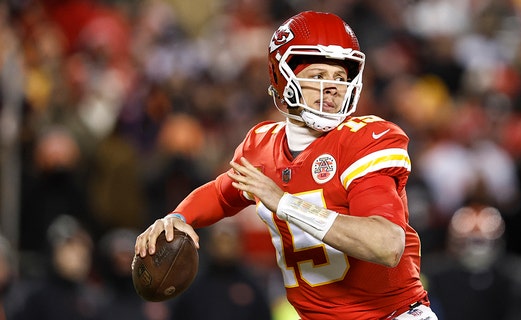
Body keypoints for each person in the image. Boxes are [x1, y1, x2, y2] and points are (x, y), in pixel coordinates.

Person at [135, 11, 437, 320]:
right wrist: (177, 217)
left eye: (340, 78)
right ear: (283, 76)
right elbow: (221, 194)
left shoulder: (364, 140)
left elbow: (386, 245)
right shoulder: (262, 146)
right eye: (318, 76)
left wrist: (283, 202)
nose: (333, 87)